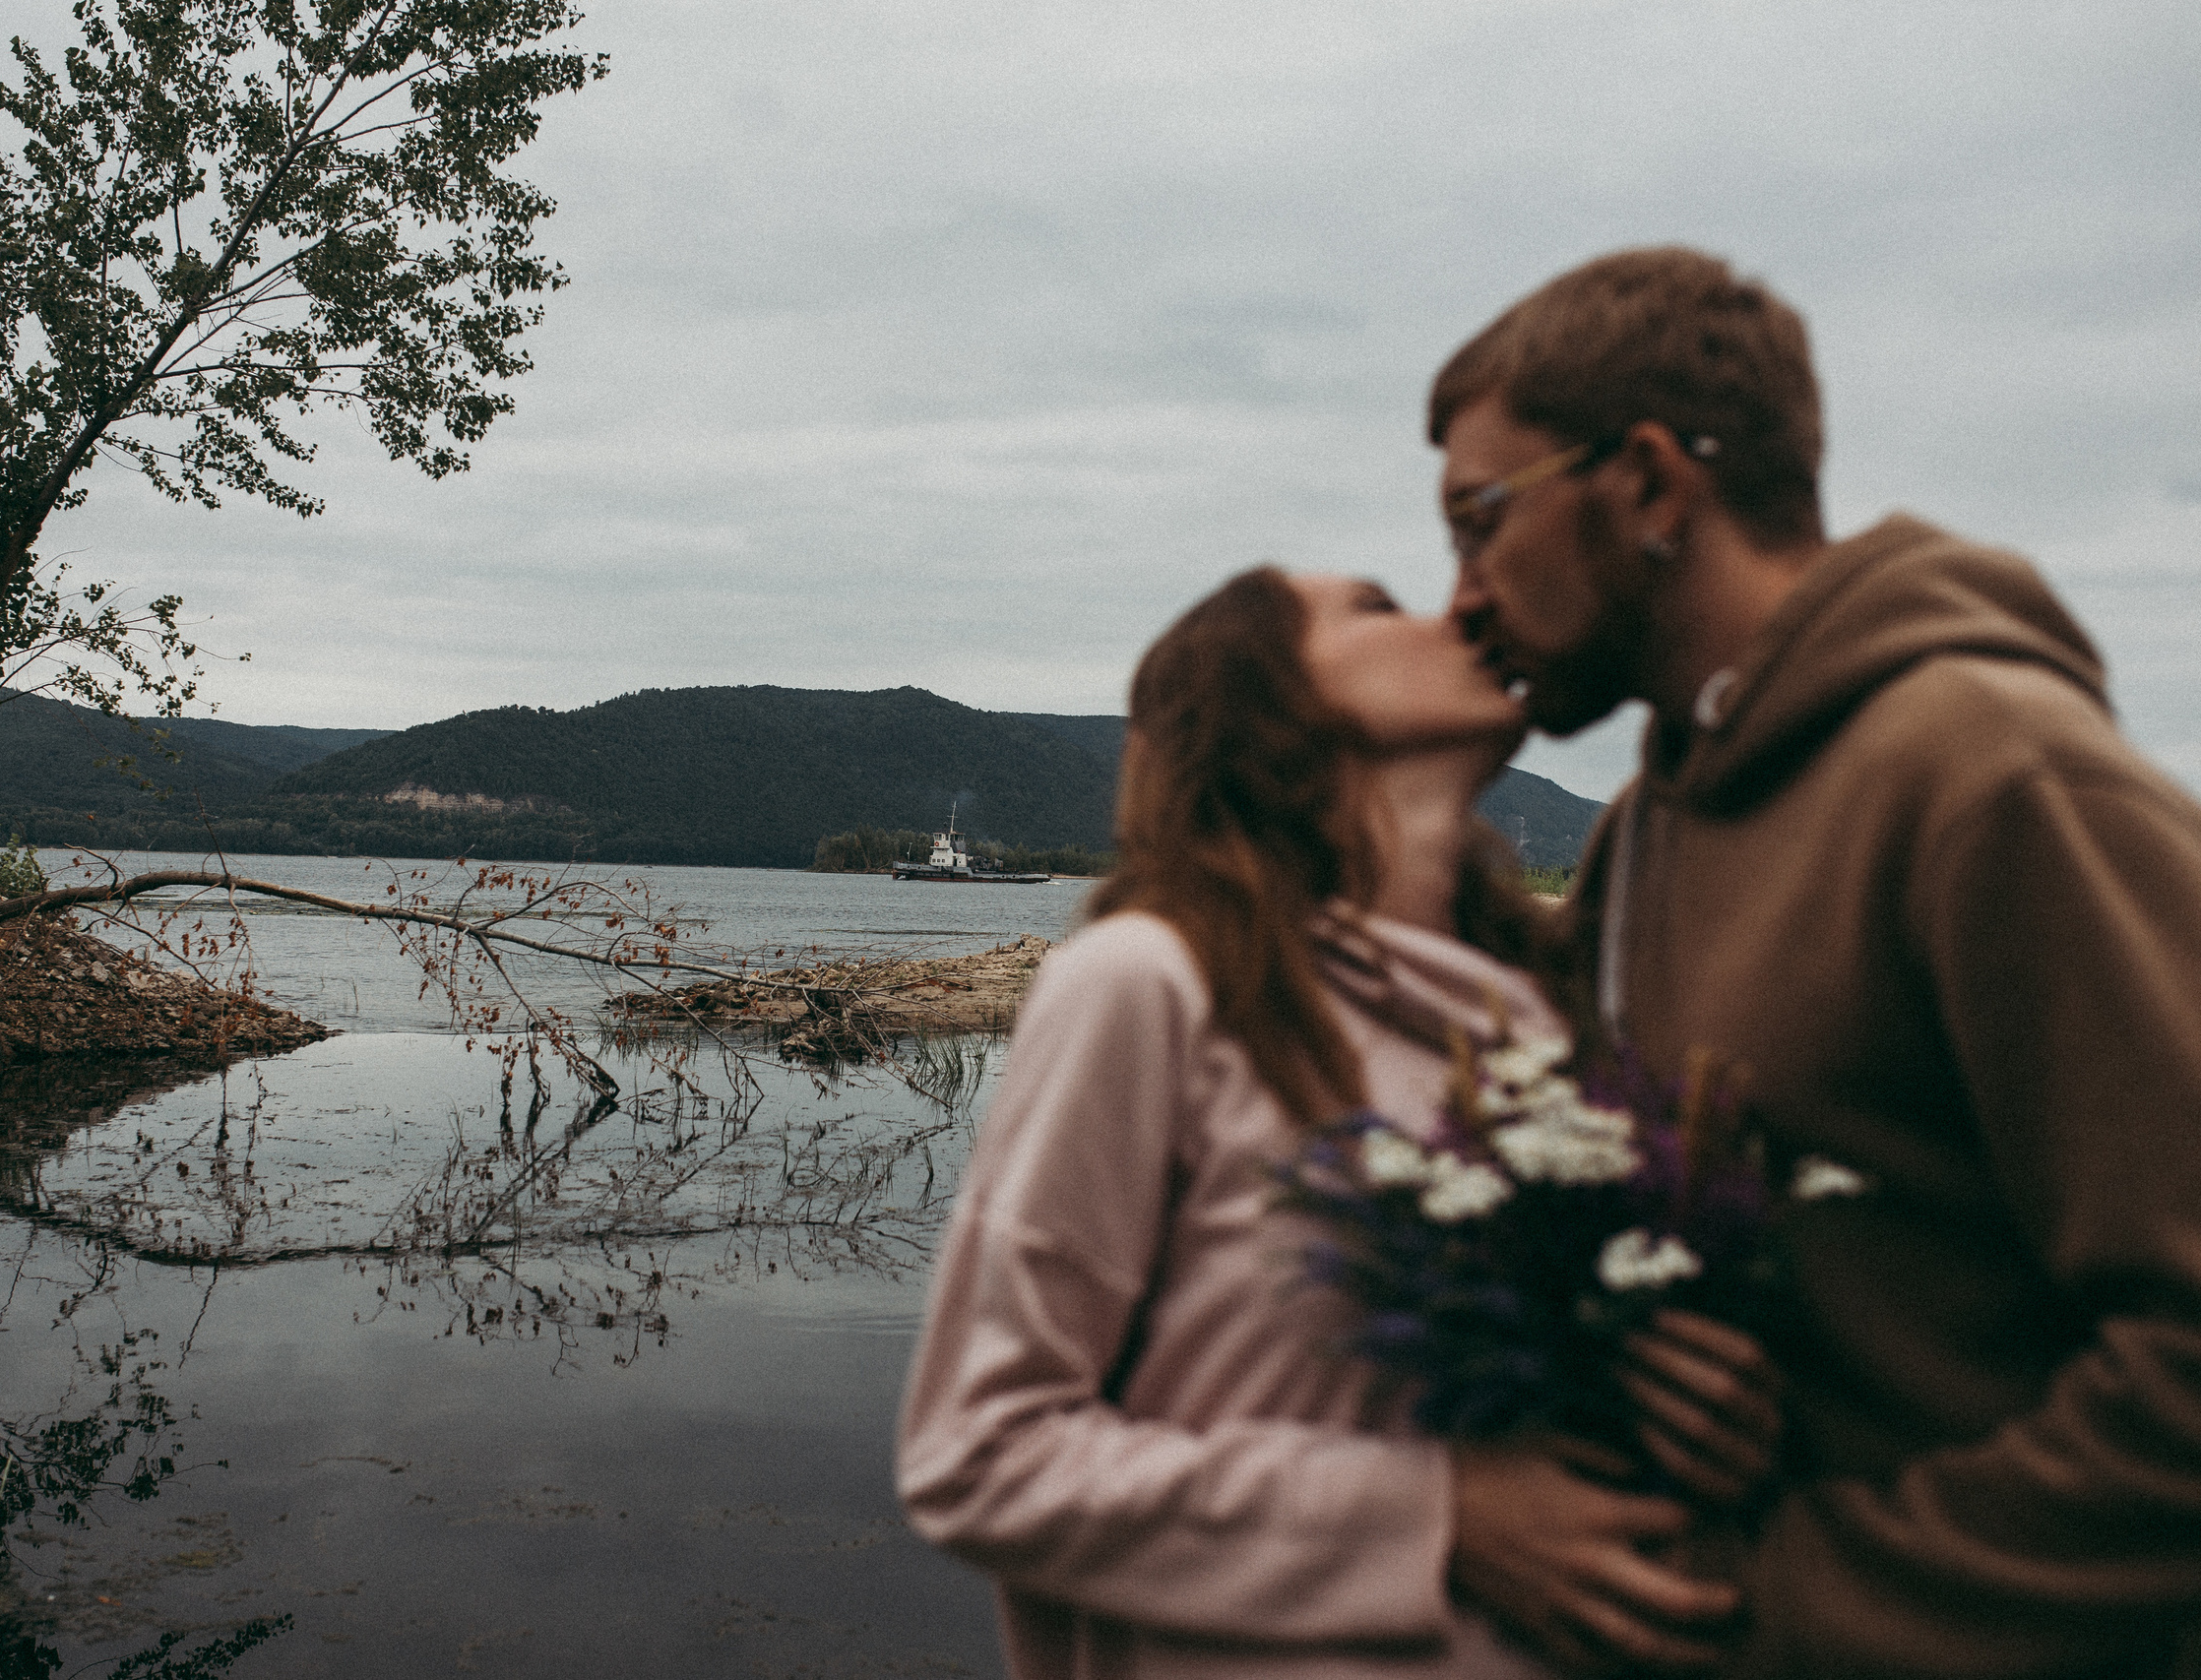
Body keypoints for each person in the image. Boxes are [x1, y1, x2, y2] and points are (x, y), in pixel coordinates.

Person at [1433, 247, 2201, 1678]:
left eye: (1479, 518)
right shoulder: (1644, 828)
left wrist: (1784, 1597)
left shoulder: (1993, 777)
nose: (1462, 595)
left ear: (1650, 484)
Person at [897, 566, 1780, 1678]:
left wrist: (1699, 1407)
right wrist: (1436, 1518)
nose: (1461, 608)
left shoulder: (1547, 1019)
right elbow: (979, 1454)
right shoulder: (1153, 981)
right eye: (1378, 606)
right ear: (1269, 705)